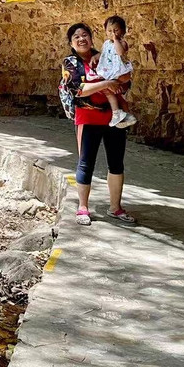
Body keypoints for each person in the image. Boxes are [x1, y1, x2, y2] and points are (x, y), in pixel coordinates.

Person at [59, 22, 137, 227]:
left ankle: (115, 208)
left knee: (116, 162)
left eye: (85, 35)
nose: (82, 39)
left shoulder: (106, 53)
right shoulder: (70, 62)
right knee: (86, 162)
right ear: (71, 43)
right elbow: (78, 89)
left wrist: (119, 83)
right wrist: (106, 84)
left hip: (115, 117)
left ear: (92, 38)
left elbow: (124, 78)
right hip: (88, 118)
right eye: (77, 37)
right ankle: (83, 207)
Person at [95, 15, 136, 128]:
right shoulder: (106, 44)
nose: (112, 32)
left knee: (107, 90)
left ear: (122, 31)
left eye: (116, 30)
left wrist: (116, 40)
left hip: (120, 72)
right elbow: (104, 55)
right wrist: (96, 57)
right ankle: (127, 115)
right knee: (115, 93)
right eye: (109, 30)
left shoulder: (122, 42)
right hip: (111, 72)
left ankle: (116, 112)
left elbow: (120, 52)